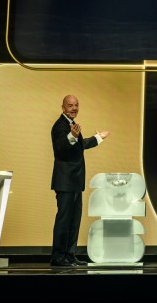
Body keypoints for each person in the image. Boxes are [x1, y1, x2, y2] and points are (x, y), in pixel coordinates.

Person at [50, 94, 109, 267]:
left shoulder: (73, 125)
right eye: (70, 105)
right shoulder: (59, 126)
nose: (74, 108)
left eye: (76, 105)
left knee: (74, 220)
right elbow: (60, 149)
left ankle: (69, 255)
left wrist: (99, 138)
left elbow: (81, 144)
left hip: (75, 181)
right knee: (64, 219)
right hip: (65, 181)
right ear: (63, 107)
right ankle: (58, 256)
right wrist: (71, 137)